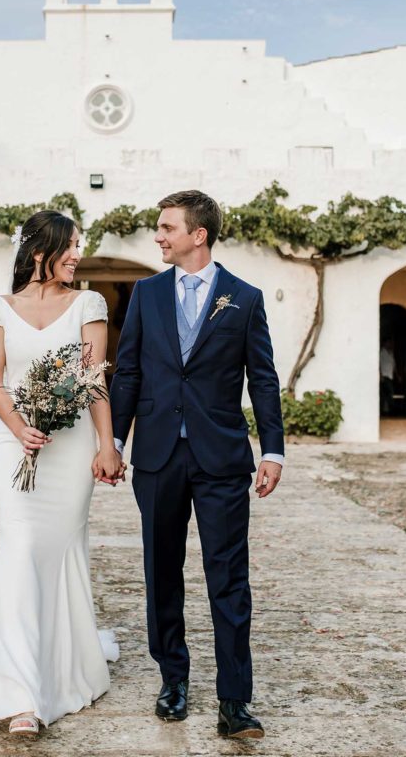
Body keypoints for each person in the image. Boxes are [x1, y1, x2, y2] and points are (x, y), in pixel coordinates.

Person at [111, 190, 284, 740]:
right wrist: (113, 440)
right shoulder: (146, 293)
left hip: (222, 458)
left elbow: (263, 377)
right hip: (158, 455)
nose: (158, 237)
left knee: (228, 579)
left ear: (198, 234)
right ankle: (173, 680)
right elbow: (130, 372)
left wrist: (272, 450)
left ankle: (235, 701)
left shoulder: (245, 298)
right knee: (162, 571)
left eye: (167, 228)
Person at [0, 210, 124, 737]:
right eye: (70, 245)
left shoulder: (89, 304)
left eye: (79, 246)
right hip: (14, 444)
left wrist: (107, 444)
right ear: (39, 249)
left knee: (57, 551)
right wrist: (19, 426)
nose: (77, 254)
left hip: (70, 450)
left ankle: (67, 661)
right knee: (21, 546)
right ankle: (22, 694)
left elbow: (94, 379)